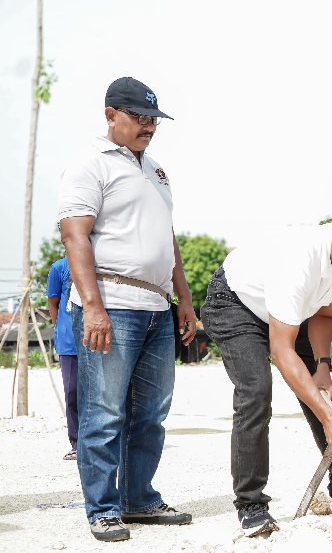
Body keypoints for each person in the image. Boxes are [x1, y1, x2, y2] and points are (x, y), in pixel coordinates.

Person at [200, 198, 332, 537]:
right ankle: (251, 505)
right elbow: (282, 350)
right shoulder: (298, 259)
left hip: (295, 314)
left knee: (321, 392)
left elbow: (325, 313)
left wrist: (322, 365)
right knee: (256, 391)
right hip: (235, 303)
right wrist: (331, 419)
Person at [58, 76, 196, 542]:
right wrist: (92, 308)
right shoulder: (89, 165)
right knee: (104, 412)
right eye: (139, 117)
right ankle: (102, 508)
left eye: (154, 118)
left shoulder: (157, 170)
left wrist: (184, 298)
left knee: (152, 412)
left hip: (157, 305)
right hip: (111, 303)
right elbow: (75, 236)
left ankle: (139, 499)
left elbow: (167, 236)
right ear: (109, 114)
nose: (148, 126)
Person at [47, 256, 78, 461]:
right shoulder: (59, 267)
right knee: (72, 392)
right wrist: (61, 329)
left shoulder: (101, 263)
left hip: (98, 340)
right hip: (69, 342)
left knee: (101, 395)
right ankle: (77, 444)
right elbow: (53, 302)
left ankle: (101, 442)